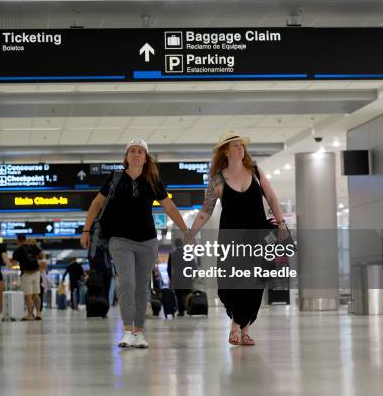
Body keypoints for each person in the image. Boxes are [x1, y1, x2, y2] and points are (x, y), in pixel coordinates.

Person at [81, 138, 188, 349]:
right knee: (127, 283)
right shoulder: (115, 177)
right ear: (126, 156)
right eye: (133, 151)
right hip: (119, 240)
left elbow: (169, 206)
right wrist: (86, 229)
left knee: (141, 287)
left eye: (141, 151)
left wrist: (186, 229)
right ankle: (127, 330)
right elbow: (97, 204)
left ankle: (139, 332)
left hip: (147, 241)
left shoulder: (153, 180)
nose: (137, 154)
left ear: (146, 157)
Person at [187, 131, 287, 346]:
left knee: (255, 284)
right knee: (230, 286)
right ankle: (237, 321)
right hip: (232, 240)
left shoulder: (256, 172)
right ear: (226, 151)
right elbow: (206, 211)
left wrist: (281, 224)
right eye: (235, 146)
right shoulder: (218, 180)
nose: (240, 149)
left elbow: (271, 198)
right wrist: (191, 232)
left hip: (259, 237)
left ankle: (242, 328)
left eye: (242, 146)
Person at [13, 234, 44, 321]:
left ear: (18, 240)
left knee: (28, 296)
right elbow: (42, 255)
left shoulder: (18, 250)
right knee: (36, 294)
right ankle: (39, 313)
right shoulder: (33, 246)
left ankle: (30, 315)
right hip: (36, 273)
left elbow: (14, 263)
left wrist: (10, 263)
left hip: (26, 274)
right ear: (25, 239)